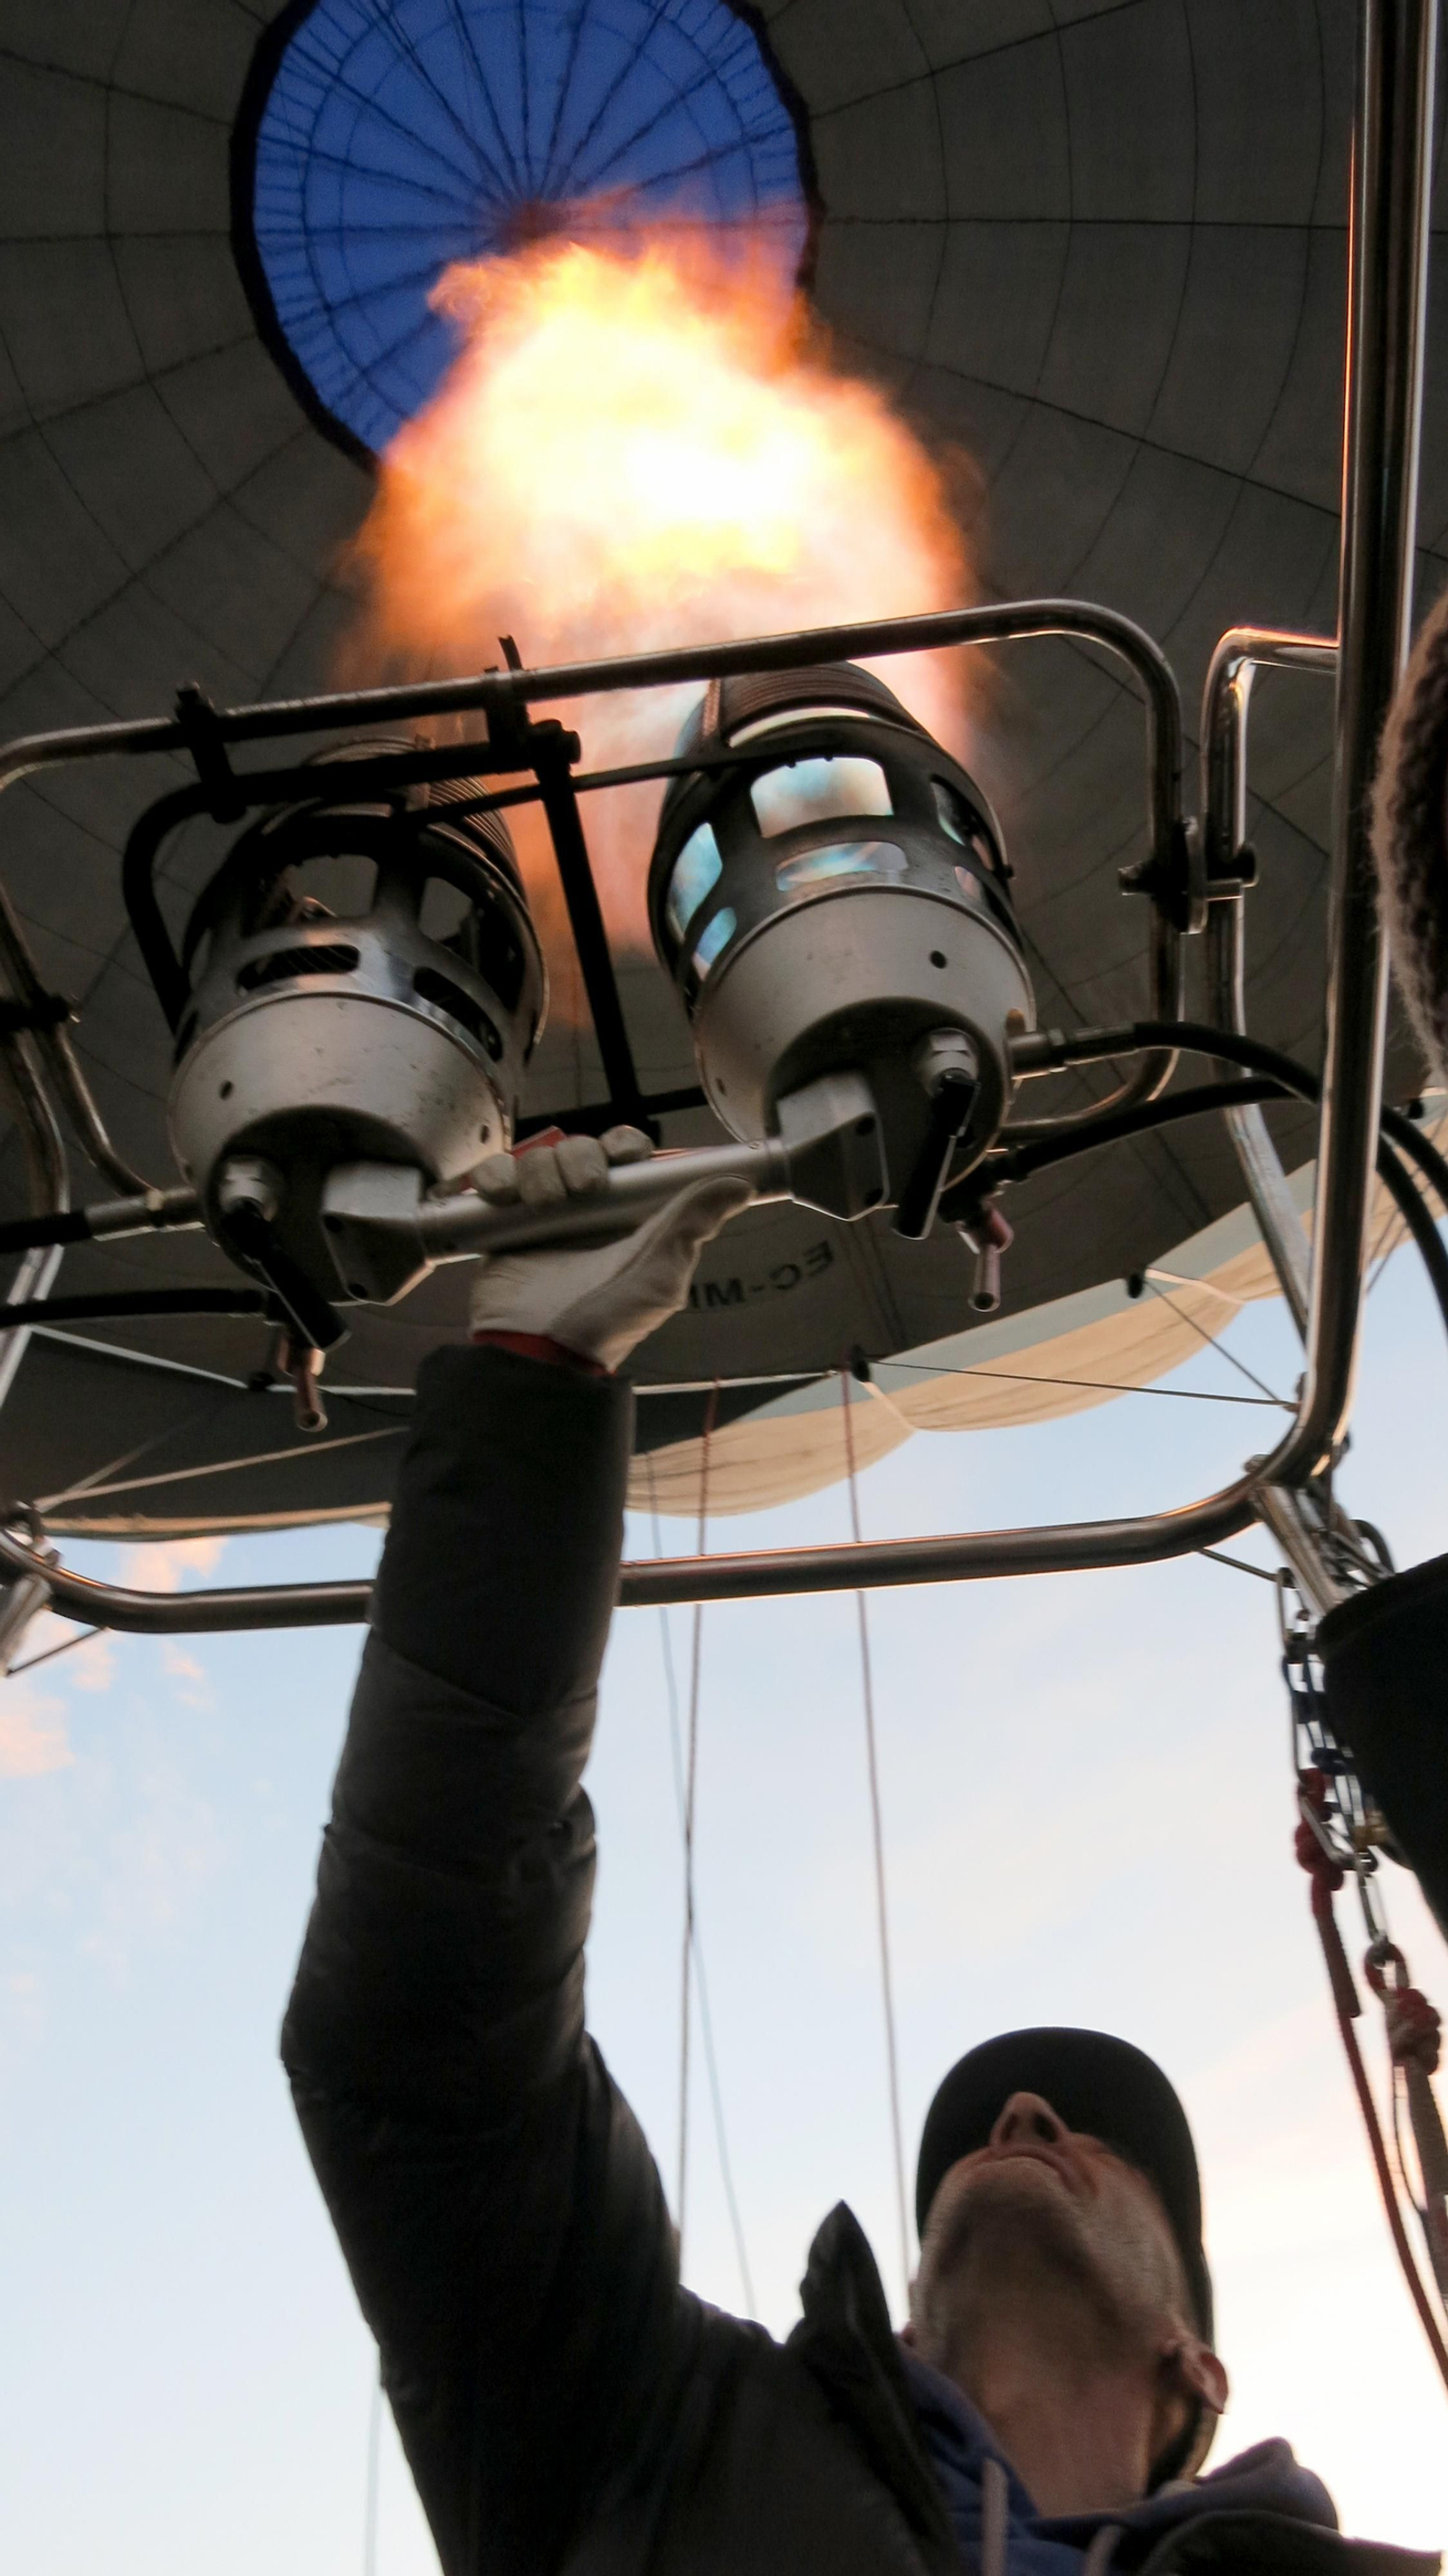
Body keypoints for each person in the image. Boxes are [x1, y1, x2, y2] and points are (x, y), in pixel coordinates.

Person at [283, 1131, 1437, 2576]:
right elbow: (422, 2051)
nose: (1020, 2112)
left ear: (1196, 2367)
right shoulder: (645, 2439)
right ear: (899, 2330)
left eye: (1092, 2138)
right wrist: (532, 1385)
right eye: (1020, 2125)